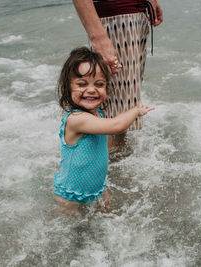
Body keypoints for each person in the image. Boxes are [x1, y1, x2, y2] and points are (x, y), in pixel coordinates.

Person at [54, 47, 154, 216]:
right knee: (67, 233)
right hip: (71, 196)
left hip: (98, 188)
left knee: (110, 217)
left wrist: (113, 67)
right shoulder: (76, 120)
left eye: (99, 84)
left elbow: (104, 145)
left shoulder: (97, 114)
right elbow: (116, 126)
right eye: (82, 84)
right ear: (68, 87)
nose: (92, 90)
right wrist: (135, 110)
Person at [73, 0, 163, 150]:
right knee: (110, 114)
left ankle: (110, 167)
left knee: (121, 110)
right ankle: (101, 170)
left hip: (133, 14)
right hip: (115, 17)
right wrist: (98, 37)